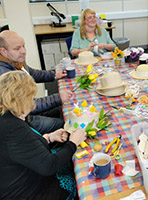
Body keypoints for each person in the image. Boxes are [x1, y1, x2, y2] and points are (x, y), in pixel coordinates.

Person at [0, 71, 86, 200]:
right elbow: (49, 166)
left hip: (28, 174)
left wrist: (49, 137)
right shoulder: (13, 129)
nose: (33, 101)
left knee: (73, 162)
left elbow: (25, 148)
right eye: (31, 97)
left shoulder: (10, 116)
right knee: (81, 179)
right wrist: (73, 143)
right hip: (29, 191)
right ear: (21, 100)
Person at [0, 30, 73, 134]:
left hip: (27, 110)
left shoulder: (15, 59)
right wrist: (58, 98)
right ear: (3, 51)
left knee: (57, 111)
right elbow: (27, 105)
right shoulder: (4, 75)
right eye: (17, 48)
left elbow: (30, 73)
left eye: (23, 46)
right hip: (22, 119)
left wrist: (54, 75)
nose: (23, 51)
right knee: (63, 124)